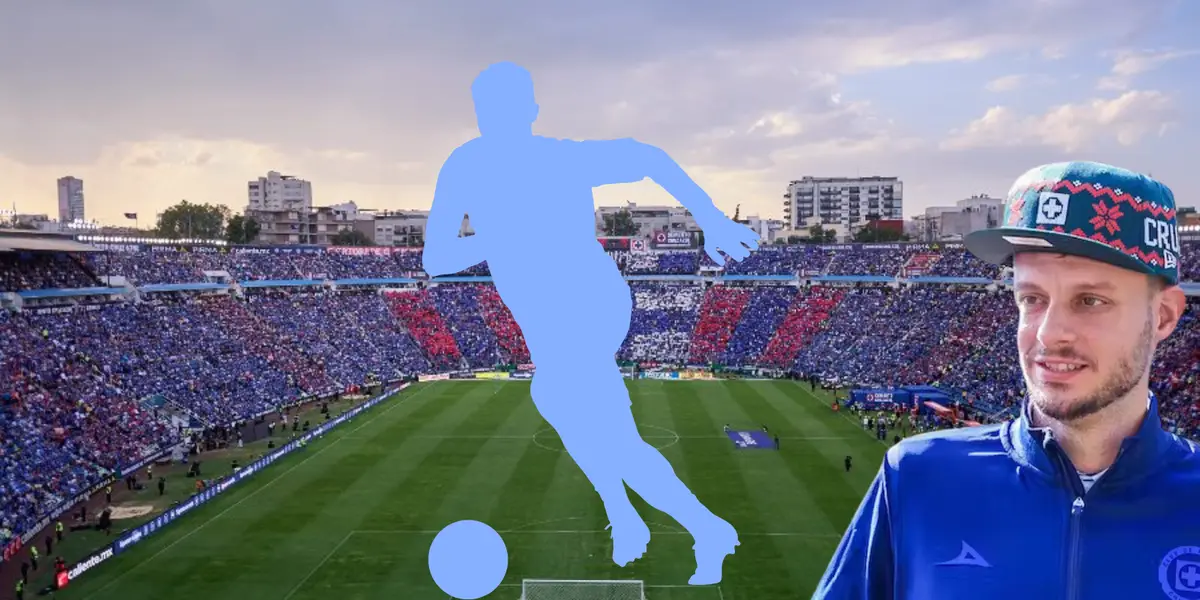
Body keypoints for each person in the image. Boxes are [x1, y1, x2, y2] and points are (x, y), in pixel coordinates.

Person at [423, 61, 758, 586]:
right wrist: (503, 236)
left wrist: (712, 219)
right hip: (545, 322)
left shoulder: (561, 159)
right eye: (490, 111)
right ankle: (635, 518)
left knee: (604, 431)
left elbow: (648, 157)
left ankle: (702, 529)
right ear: (480, 115)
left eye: (507, 109)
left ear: (531, 112)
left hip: (592, 303)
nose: (498, 121)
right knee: (555, 400)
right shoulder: (463, 166)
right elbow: (435, 257)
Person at [813, 161, 1198, 599]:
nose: (1049, 333)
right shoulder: (916, 478)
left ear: (1164, 315)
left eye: (1090, 300)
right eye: (1031, 299)